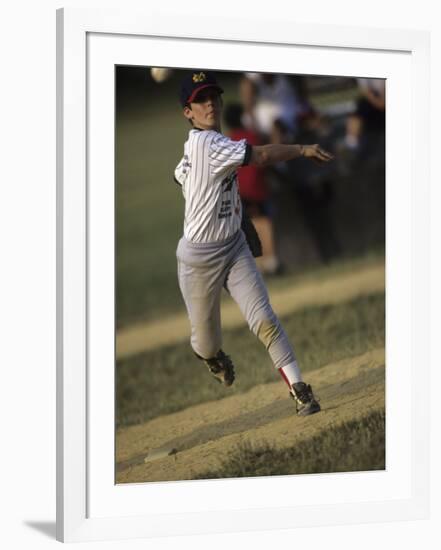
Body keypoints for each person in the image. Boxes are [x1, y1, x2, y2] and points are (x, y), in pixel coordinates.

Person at [173, 70, 333, 416]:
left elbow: (179, 175)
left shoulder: (200, 147)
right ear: (188, 112)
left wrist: (226, 213)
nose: (209, 104)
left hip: (233, 247)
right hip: (198, 260)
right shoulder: (208, 144)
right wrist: (302, 148)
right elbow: (259, 157)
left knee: (265, 320)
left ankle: (300, 389)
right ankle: (211, 356)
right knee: (206, 341)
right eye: (200, 100)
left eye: (213, 96)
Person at [223, 102, 282, 276]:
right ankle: (269, 261)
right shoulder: (251, 136)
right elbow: (264, 160)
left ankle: (259, 265)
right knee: (263, 222)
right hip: (255, 188)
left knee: (250, 227)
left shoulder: (228, 140)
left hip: (237, 191)